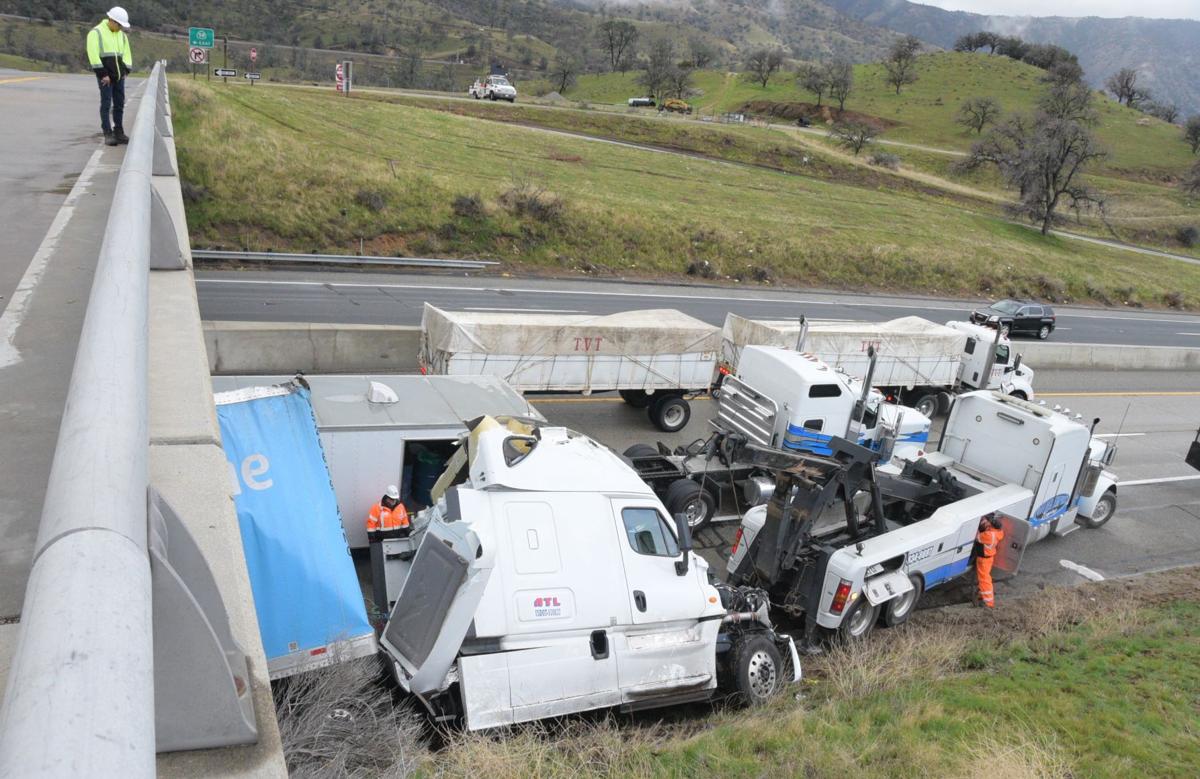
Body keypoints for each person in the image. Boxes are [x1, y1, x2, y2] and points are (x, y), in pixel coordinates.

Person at [86, 7, 133, 147]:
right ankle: (107, 133)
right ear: (112, 20)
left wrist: (125, 72)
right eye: (119, 25)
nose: (121, 28)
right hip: (105, 77)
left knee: (119, 104)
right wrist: (103, 74)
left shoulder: (122, 35)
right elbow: (93, 56)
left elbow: (127, 55)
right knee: (106, 104)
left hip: (119, 77)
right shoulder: (96, 33)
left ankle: (119, 131)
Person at [366, 485, 410, 619]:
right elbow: (371, 524)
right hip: (382, 541)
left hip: (396, 541)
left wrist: (407, 533)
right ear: (387, 497)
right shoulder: (377, 508)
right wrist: (372, 538)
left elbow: (405, 522)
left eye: (395, 499)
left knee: (394, 567)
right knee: (382, 566)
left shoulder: (400, 507)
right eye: (391, 499)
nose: (393, 501)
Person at [975, 513, 1005, 608]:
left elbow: (976, 537)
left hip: (984, 560)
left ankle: (988, 603)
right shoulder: (997, 532)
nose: (983, 522)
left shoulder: (988, 535)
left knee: (984, 579)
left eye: (985, 520)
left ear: (990, 523)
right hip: (988, 558)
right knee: (984, 578)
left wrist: (978, 527)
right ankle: (982, 594)